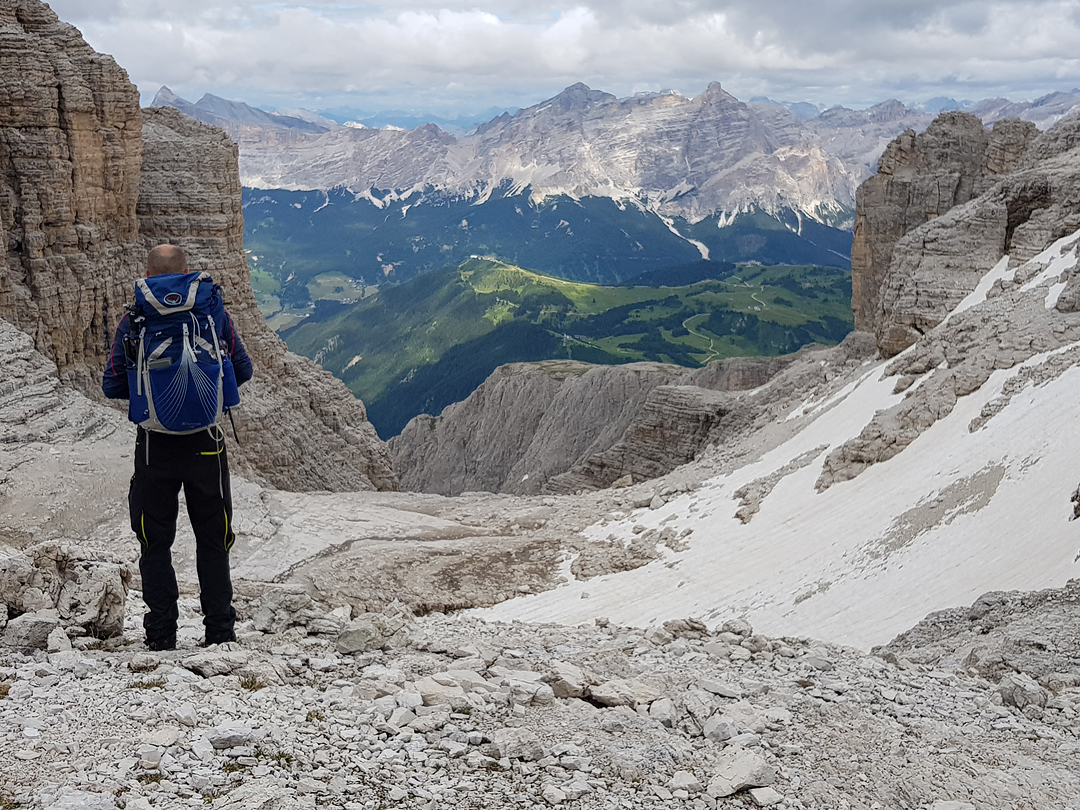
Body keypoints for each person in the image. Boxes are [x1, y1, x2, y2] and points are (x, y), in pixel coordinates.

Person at [103, 245, 253, 651]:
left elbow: (112, 383)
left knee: (154, 542)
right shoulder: (211, 311)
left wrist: (151, 395)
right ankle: (220, 634)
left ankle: (161, 637)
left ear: (147, 275)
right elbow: (243, 369)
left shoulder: (135, 318)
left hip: (154, 447)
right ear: (187, 272)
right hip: (206, 443)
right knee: (213, 538)